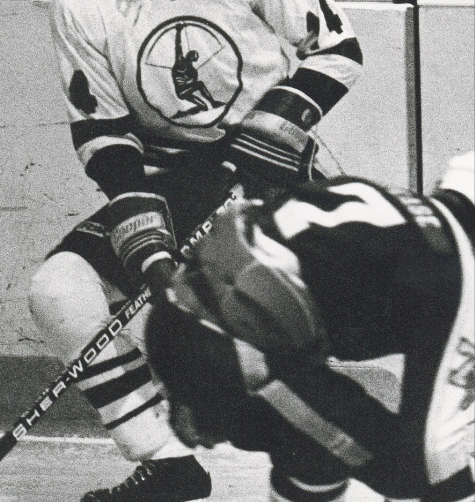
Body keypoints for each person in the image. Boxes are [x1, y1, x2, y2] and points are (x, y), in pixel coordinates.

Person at [29, 0, 364, 501]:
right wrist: (146, 237)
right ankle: (170, 465)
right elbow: (103, 131)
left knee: (263, 339)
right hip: (175, 184)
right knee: (59, 291)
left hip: (275, 176)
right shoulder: (78, 1)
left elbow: (337, 47)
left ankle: (310, 471)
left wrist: (273, 128)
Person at [145, 150, 475, 502]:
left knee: (315, 445)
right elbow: (434, 456)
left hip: (175, 327)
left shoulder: (388, 201)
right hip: (233, 359)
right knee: (407, 469)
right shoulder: (450, 270)